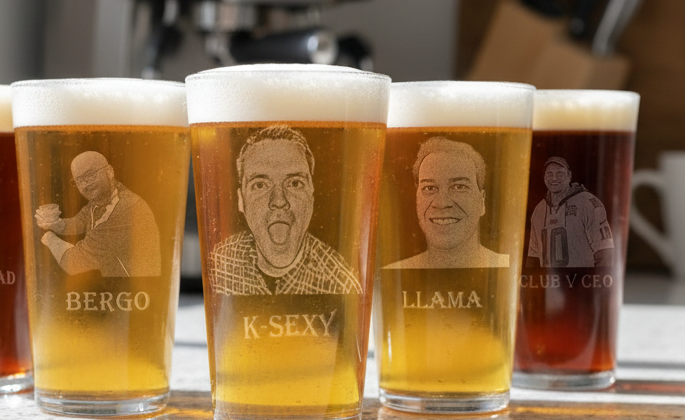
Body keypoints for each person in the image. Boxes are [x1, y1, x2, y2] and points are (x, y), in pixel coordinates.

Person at [209, 125, 363, 295]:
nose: (279, 201)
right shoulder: (219, 261)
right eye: (260, 185)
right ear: (241, 200)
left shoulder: (342, 281)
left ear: (311, 196)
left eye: (295, 183)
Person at [384, 137, 508, 269]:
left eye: (459, 187)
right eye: (429, 188)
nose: (442, 203)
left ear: (481, 201)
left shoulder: (510, 272)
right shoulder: (391, 274)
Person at [37, 151, 161, 277]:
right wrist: (54, 224)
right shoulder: (102, 202)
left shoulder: (124, 210)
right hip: (115, 288)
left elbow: (74, 263)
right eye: (79, 181)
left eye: (90, 175)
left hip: (133, 291)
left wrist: (49, 238)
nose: (85, 185)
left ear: (109, 171)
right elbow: (79, 222)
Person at [527, 156, 614, 268]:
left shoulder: (587, 202)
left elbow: (605, 251)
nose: (554, 178)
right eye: (549, 174)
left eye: (559, 174)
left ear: (569, 176)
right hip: (549, 283)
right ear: (544, 177)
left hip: (580, 282)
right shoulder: (539, 209)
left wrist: (597, 282)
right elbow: (533, 256)